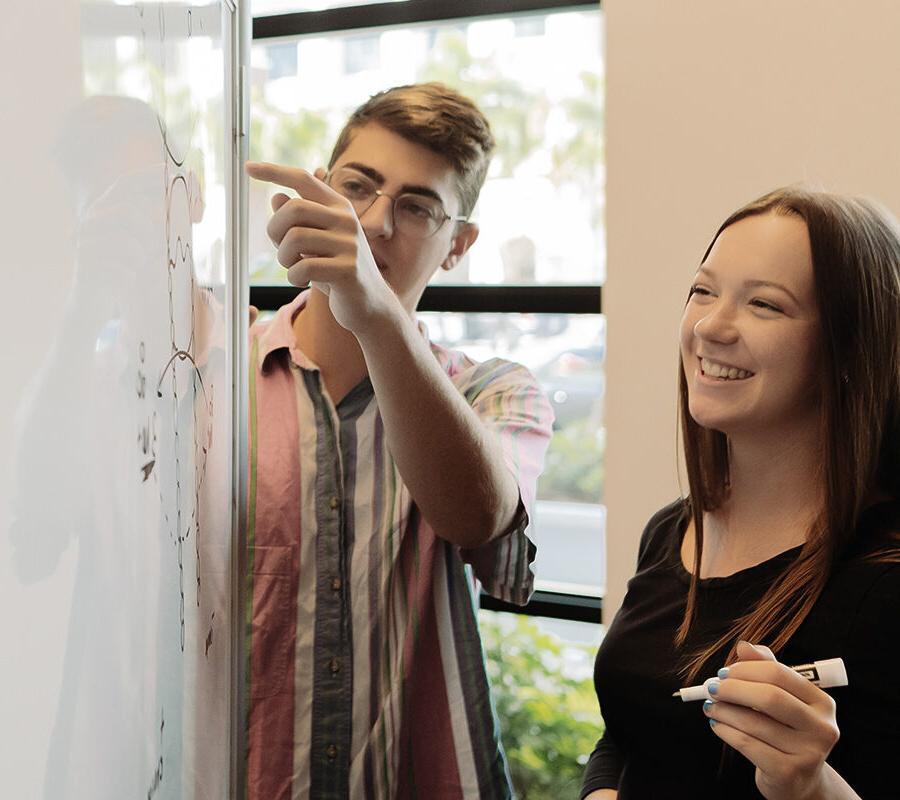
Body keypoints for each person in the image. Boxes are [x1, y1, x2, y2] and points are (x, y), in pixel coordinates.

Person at [244, 83, 554, 800]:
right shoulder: (216, 379)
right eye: (357, 187)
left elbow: (480, 520)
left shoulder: (495, 391)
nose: (376, 225)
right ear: (319, 192)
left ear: (458, 246)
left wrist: (374, 313)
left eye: (417, 207)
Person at [581, 187, 900, 799]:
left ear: (851, 348)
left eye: (764, 305)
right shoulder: (672, 531)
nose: (710, 326)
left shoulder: (884, 580)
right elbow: (632, 728)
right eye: (702, 291)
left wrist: (810, 786)